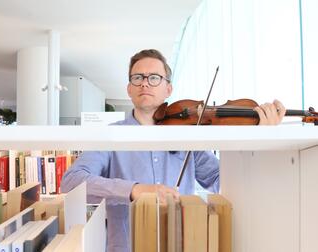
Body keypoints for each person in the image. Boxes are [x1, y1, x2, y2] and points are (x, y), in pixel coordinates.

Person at [60, 49, 286, 252]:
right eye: (137, 77)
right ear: (129, 88)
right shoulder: (111, 136)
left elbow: (222, 180)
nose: (145, 83)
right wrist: (134, 189)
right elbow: (71, 182)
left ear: (168, 89)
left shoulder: (188, 135)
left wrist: (255, 141)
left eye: (154, 78)